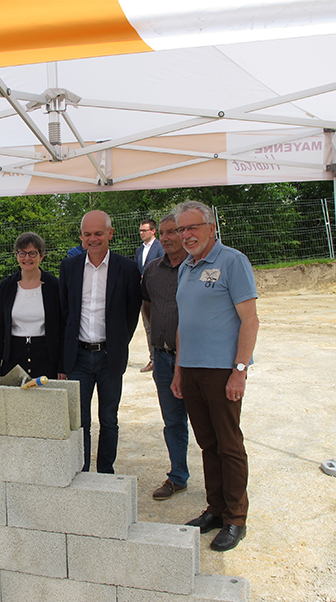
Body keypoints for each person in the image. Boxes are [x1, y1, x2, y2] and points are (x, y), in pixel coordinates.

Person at [170, 201, 259, 553]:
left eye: (192, 228)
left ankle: (236, 519)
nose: (186, 235)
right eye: (180, 229)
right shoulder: (185, 268)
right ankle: (216, 509)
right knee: (207, 444)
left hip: (222, 370)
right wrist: (178, 370)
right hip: (191, 370)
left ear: (211, 227)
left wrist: (240, 370)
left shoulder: (232, 262)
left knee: (229, 444)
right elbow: (183, 324)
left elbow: (250, 320)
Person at [59, 210, 142, 473]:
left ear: (110, 234)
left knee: (109, 419)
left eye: (98, 233)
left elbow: (132, 312)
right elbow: (64, 313)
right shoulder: (69, 267)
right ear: (81, 237)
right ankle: (81, 470)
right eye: (87, 234)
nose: (93, 239)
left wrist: (118, 343)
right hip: (78, 358)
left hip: (109, 357)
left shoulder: (127, 269)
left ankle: (105, 470)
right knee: (80, 421)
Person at [141, 214, 190, 502]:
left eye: (174, 232)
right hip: (163, 359)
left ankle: (219, 484)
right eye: (164, 233)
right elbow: (148, 307)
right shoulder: (152, 270)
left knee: (205, 423)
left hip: (195, 361)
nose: (168, 237)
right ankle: (178, 477)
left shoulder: (196, 267)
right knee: (172, 421)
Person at [0, 232, 64, 380]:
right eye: (22, 253)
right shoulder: (7, 286)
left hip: (46, 359)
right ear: (17, 255)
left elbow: (62, 328)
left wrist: (62, 366)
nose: (27, 258)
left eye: (32, 253)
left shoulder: (54, 285)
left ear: (41, 256)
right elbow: (1, 328)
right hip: (13, 359)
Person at [135, 218, 164, 373]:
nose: (141, 233)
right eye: (140, 230)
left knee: (158, 325)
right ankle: (153, 358)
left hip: (156, 293)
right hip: (144, 293)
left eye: (144, 230)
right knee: (148, 327)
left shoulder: (160, 248)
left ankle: (160, 358)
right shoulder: (140, 250)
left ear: (153, 231)